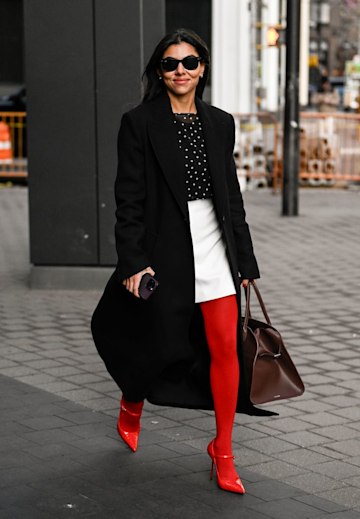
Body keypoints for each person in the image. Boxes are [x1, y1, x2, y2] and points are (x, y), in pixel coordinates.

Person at [91, 28, 273, 495]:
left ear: (202, 68)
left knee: (224, 346)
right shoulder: (139, 122)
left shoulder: (220, 122)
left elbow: (230, 197)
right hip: (165, 248)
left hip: (215, 245)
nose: (180, 71)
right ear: (159, 71)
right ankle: (133, 401)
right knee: (155, 341)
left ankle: (224, 450)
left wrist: (245, 260)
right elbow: (127, 198)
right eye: (170, 64)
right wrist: (133, 260)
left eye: (189, 62)